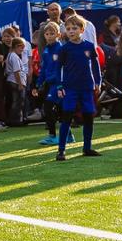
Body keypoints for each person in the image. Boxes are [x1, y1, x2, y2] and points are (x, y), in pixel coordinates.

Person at [50, 17, 102, 160]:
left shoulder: (89, 46)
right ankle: (61, 150)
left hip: (87, 88)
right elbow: (58, 69)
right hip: (70, 88)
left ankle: (87, 148)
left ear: (82, 30)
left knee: (88, 117)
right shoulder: (64, 49)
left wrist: (98, 81)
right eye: (68, 29)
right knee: (66, 117)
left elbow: (96, 65)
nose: (71, 31)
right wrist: (59, 86)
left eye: (74, 28)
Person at [34, 21, 64, 144]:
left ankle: (52, 135)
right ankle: (68, 135)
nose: (49, 36)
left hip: (59, 85)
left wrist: (60, 85)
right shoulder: (46, 50)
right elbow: (44, 68)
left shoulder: (60, 49)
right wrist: (38, 84)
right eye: (47, 34)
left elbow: (62, 69)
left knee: (49, 108)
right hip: (50, 84)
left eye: (52, 33)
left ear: (58, 34)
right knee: (61, 110)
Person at [5, 37, 30, 126]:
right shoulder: (14, 56)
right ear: (16, 46)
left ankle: (15, 119)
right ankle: (15, 121)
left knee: (17, 101)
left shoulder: (11, 55)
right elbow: (16, 71)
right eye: (21, 47)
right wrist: (20, 84)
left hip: (13, 81)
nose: (22, 49)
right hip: (15, 82)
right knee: (18, 102)